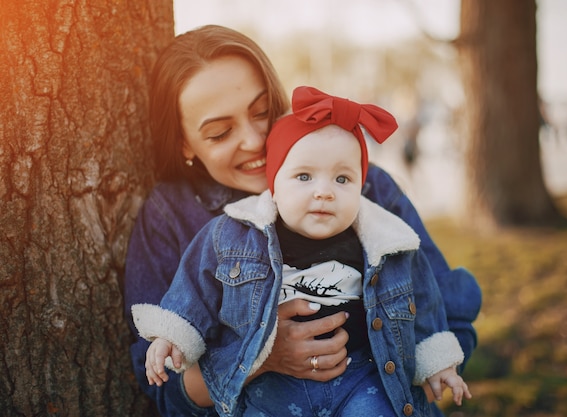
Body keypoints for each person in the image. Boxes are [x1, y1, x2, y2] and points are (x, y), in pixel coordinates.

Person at [123, 25, 481, 416]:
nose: (255, 139)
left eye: (263, 112)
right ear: (184, 143)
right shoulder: (170, 214)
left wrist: (407, 372)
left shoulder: (364, 187)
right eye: (221, 132)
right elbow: (163, 386)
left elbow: (445, 309)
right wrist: (262, 357)